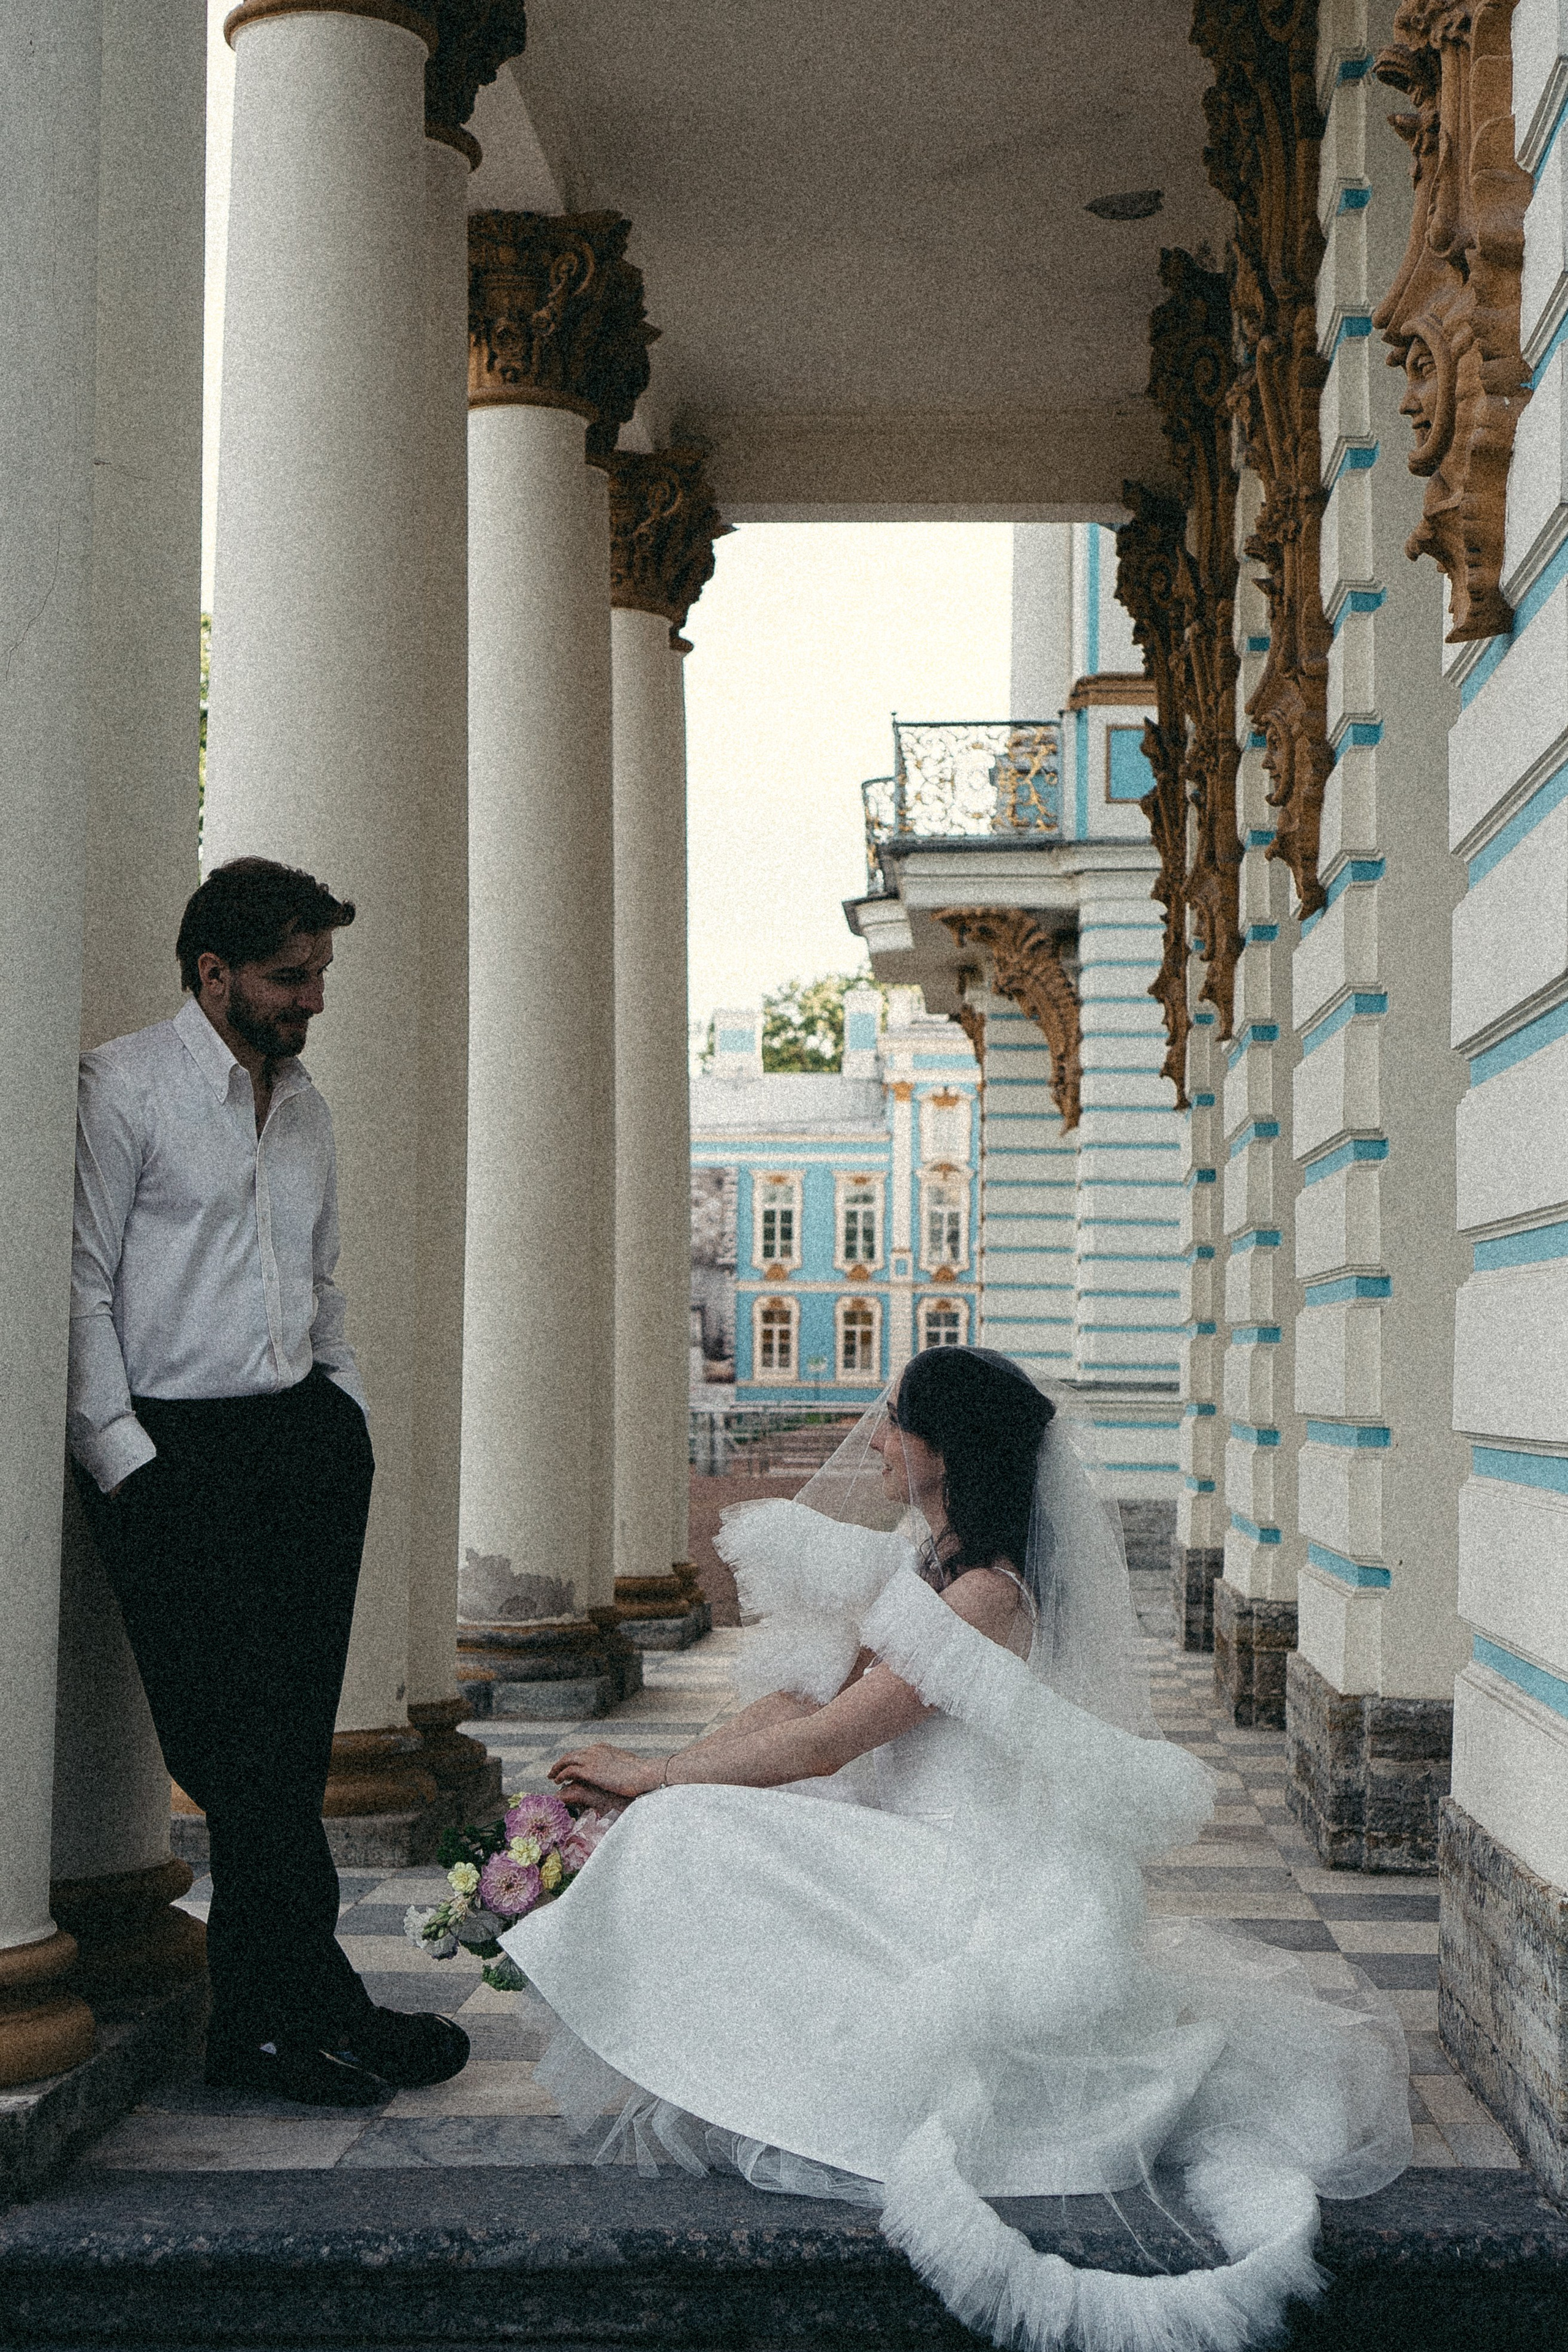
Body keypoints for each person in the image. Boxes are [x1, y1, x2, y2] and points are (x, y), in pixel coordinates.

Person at [505, 1347, 1412, 2352]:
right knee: (689, 1817)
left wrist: (658, 1783)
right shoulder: (922, 1563)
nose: (878, 1440)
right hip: (901, 1836)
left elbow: (834, 1741)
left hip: (964, 1870)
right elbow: (805, 1703)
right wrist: (663, 1763)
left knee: (691, 1823)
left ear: (947, 1447)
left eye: (895, 1421)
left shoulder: (985, 1593)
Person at [68, 856, 468, 2107]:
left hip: (297, 1447)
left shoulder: (305, 1109)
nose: (313, 1001)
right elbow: (77, 1286)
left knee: (286, 1759)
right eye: (291, 978)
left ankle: (300, 2007)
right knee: (237, 1762)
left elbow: (320, 1277)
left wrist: (338, 1408)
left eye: (318, 975)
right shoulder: (122, 1089)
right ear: (214, 974)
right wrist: (126, 1461)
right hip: (172, 1462)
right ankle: (269, 2022)